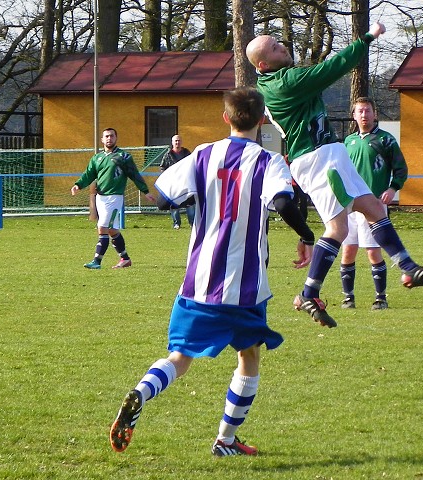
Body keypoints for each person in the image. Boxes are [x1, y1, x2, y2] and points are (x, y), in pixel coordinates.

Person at [109, 87, 316, 457]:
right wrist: (306, 235)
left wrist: (203, 195)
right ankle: (225, 439)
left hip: (198, 281)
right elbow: (283, 201)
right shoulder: (270, 161)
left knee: (179, 357)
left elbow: (162, 199)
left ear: (226, 117)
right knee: (249, 356)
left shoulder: (203, 154)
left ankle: (141, 392)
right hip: (246, 288)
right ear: (263, 119)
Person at [246, 22, 423, 328]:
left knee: (373, 209)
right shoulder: (284, 82)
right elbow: (333, 68)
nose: (283, 46)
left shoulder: (271, 83)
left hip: (327, 154)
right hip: (319, 158)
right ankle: (307, 293)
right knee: (338, 228)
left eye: (280, 43)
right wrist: (366, 39)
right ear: (263, 64)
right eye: (276, 47)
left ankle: (408, 268)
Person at [340, 97, 408, 311]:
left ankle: (381, 298)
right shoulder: (348, 142)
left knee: (372, 251)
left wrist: (392, 188)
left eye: (367, 111)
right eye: (359, 111)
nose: (364, 115)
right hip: (350, 205)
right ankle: (348, 297)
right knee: (348, 250)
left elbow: (401, 169)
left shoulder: (386, 140)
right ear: (354, 115)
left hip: (373, 205)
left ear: (374, 114)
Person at [71, 127, 155, 269]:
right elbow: (89, 174)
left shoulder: (124, 157)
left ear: (116, 138)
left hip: (114, 197)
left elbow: (134, 174)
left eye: (112, 136)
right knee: (111, 230)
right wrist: (78, 185)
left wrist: (145, 191)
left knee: (102, 227)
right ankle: (125, 259)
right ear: (102, 140)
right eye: (106, 136)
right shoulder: (97, 158)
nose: (109, 138)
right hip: (100, 198)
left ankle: (97, 262)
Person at [159, 134, 194, 229]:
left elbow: (193, 164)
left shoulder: (187, 153)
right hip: (173, 184)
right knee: (174, 205)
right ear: (172, 142)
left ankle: (192, 223)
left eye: (179, 140)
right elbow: (162, 168)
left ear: (181, 142)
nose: (177, 142)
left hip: (186, 183)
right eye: (175, 141)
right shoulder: (168, 155)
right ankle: (176, 223)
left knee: (190, 204)